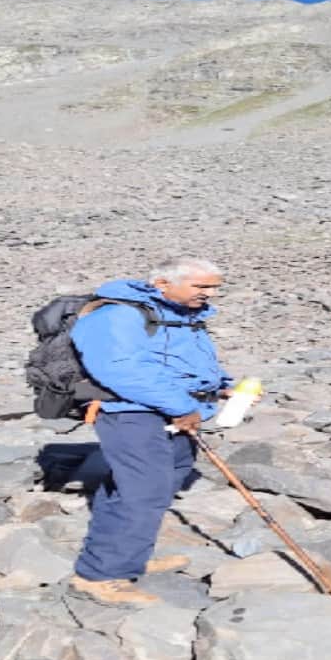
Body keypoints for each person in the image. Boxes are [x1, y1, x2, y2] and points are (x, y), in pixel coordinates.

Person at [67, 257, 233, 605]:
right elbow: (122, 369)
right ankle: (99, 576)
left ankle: (128, 557)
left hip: (172, 408)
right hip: (131, 412)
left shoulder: (180, 314)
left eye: (214, 286)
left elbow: (181, 361)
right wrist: (182, 406)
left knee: (152, 484)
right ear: (161, 283)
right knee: (143, 490)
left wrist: (220, 388)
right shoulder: (118, 315)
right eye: (202, 287)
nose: (211, 293)